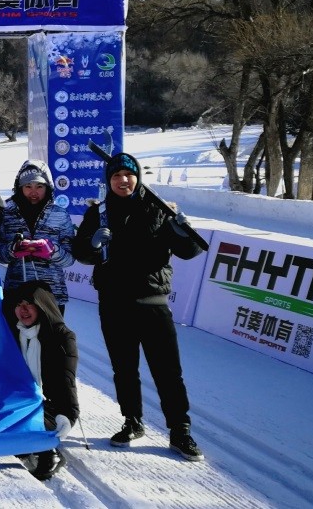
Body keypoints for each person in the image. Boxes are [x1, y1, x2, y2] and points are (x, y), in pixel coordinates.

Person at [72, 151, 205, 461]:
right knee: (124, 369)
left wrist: (184, 230)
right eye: (116, 176)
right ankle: (132, 421)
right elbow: (81, 253)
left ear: (138, 177)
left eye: (128, 175)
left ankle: (180, 429)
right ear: (108, 181)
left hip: (152, 302)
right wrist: (92, 244)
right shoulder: (99, 213)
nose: (123, 180)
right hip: (114, 303)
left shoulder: (159, 209)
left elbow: (190, 251)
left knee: (167, 370)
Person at [2, 280, 79, 481]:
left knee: (30, 422)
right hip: (18, 401)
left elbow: (66, 382)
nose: (23, 310)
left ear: (42, 305)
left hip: (48, 406)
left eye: (29, 304)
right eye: (19, 304)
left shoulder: (61, 337)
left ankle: (48, 450)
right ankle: (23, 444)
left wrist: (68, 415)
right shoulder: (11, 332)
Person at [0, 160, 77, 312]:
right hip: (16, 294)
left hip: (52, 295)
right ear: (19, 187)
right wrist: (12, 249)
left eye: (39, 186)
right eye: (28, 186)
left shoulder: (60, 214)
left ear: (48, 187)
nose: (34, 192)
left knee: (51, 329)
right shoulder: (6, 213)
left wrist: (53, 251)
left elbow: (70, 259)